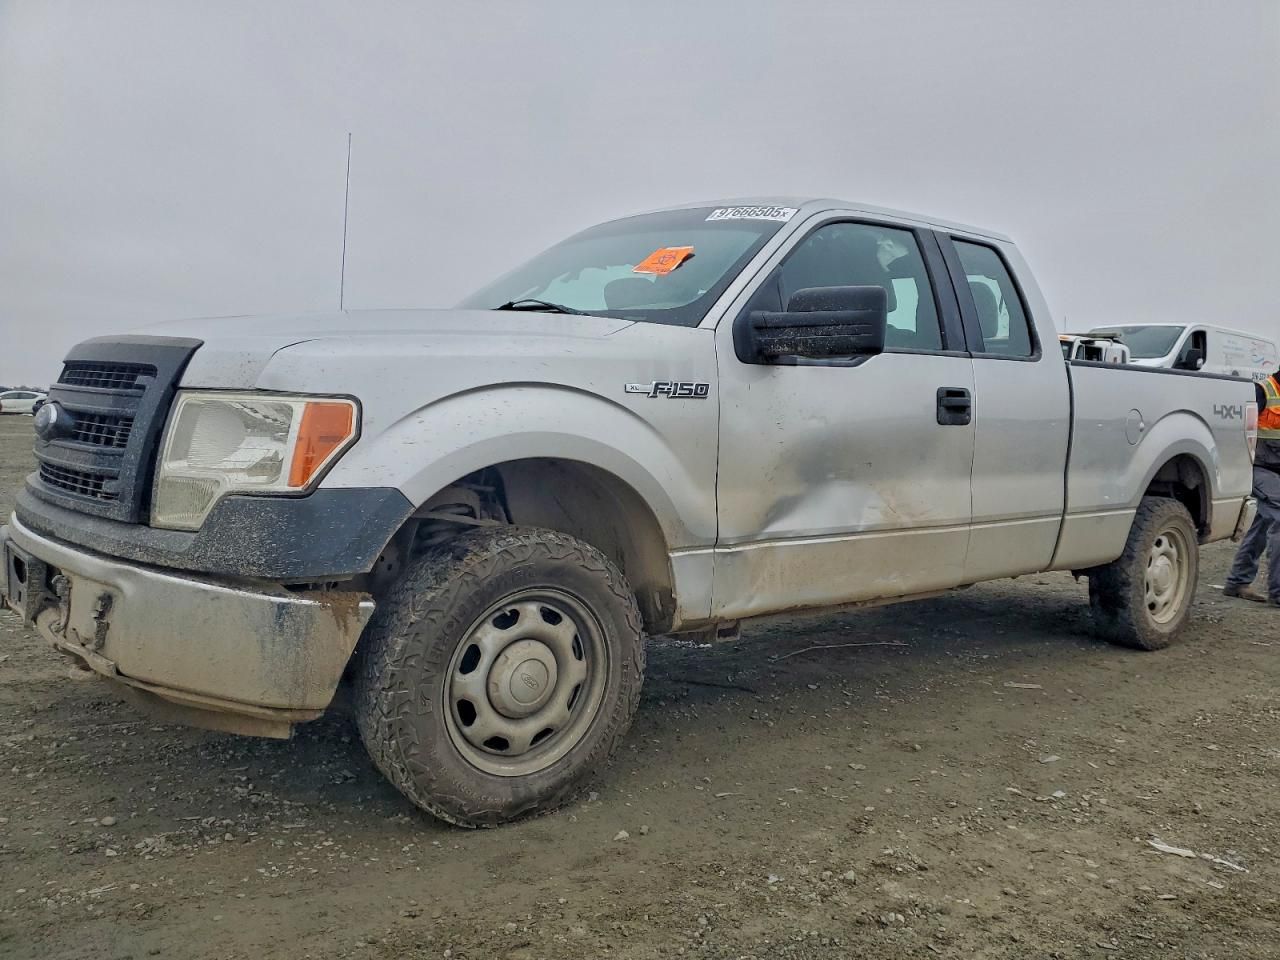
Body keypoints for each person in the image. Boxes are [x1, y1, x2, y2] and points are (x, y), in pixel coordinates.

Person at [1224, 369, 1280, 605]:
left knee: (1265, 519)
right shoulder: (1262, 390)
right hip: (1257, 467)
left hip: (1275, 471)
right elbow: (1239, 432)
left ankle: (1237, 581)